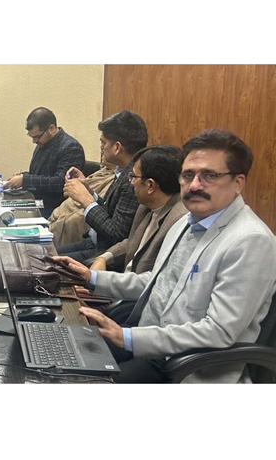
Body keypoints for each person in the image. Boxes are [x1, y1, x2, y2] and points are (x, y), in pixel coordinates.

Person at [56, 130, 276, 383]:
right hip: (148, 342)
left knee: (76, 382)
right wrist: (92, 278)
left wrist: (128, 338)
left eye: (210, 176)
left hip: (183, 367)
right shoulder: (187, 222)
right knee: (62, 349)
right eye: (188, 175)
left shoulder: (250, 241)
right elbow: (155, 281)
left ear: (238, 183)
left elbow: (219, 331)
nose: (195, 185)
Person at [57, 110, 148, 263]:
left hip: (104, 254)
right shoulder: (122, 171)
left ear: (117, 147)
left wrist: (86, 200)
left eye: (103, 142)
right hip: (92, 241)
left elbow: (116, 234)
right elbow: (109, 211)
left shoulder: (134, 179)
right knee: (42, 252)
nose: (101, 147)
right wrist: (88, 191)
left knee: (42, 262)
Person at [92, 145, 187, 274]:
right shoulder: (146, 207)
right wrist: (104, 257)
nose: (131, 182)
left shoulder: (178, 222)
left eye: (133, 177)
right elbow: (132, 242)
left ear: (150, 185)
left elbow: (152, 279)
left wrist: (98, 279)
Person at [4, 107, 85, 218]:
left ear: (51, 128)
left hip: (56, 208)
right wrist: (22, 176)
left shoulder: (71, 147)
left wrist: (25, 180)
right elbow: (39, 174)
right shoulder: (44, 142)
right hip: (37, 201)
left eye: (37, 137)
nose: (34, 141)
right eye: (32, 137)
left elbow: (60, 183)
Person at [49, 164, 117, 247]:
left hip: (100, 244)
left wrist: (85, 200)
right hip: (90, 238)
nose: (102, 155)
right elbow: (104, 205)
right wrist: (87, 189)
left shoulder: (125, 179)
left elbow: (114, 232)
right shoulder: (107, 172)